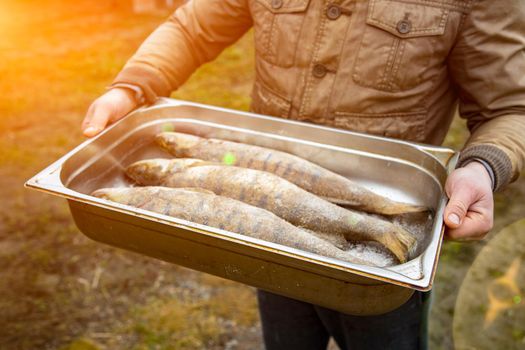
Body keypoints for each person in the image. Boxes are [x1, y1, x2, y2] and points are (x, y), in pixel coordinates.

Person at [81, 1, 525, 349]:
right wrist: (133, 84)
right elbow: (192, 28)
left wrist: (484, 166)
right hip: (268, 241)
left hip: (379, 275)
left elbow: (510, 107)